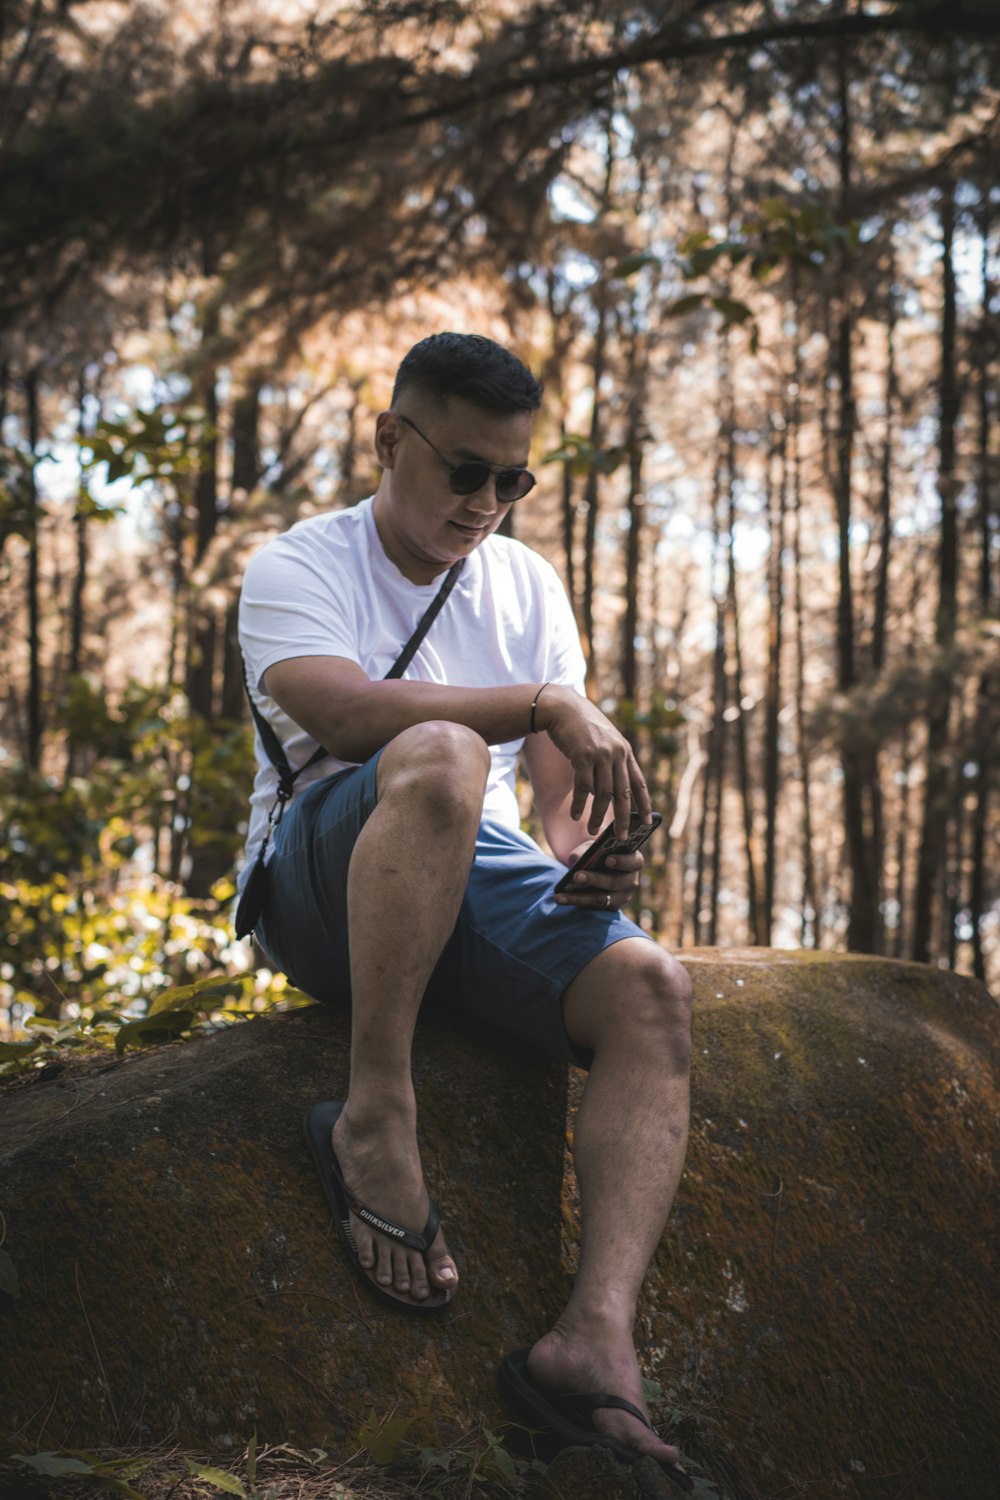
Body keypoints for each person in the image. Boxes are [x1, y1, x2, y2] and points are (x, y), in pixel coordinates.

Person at [237, 332, 693, 1490]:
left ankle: (589, 1343)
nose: (489, 502)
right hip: (323, 880)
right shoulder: (299, 564)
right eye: (466, 471)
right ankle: (376, 1115)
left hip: (473, 879)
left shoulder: (526, 585)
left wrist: (597, 860)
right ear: (392, 439)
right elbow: (342, 722)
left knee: (652, 987)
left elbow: (556, 808)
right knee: (434, 752)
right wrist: (543, 699)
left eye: (515, 480)